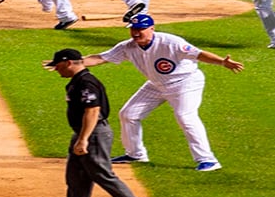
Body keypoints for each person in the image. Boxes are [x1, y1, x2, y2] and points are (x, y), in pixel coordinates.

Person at [83, 14, 244, 171]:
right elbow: (101, 58)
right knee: (128, 114)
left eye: (141, 29)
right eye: (133, 29)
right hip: (156, 85)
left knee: (185, 116)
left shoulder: (170, 42)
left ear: (152, 28)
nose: (136, 32)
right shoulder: (127, 46)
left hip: (185, 83)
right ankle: (135, 154)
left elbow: (198, 54)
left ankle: (208, 160)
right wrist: (71, 63)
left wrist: (222, 62)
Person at [40, 48, 161, 197]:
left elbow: (93, 111)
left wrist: (83, 140)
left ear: (69, 63)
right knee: (76, 178)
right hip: (84, 133)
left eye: (57, 66)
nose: (56, 69)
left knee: (103, 175)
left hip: (93, 135)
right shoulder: (78, 81)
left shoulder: (86, 83)